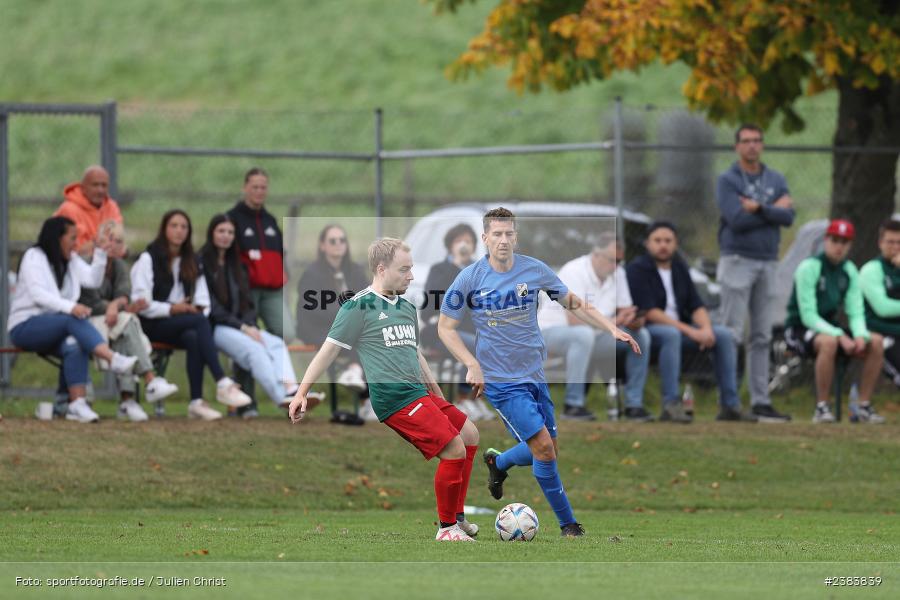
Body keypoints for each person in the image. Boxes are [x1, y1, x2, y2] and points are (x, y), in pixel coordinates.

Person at [438, 208, 640, 538]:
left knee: (548, 451)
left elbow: (573, 302)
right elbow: (446, 328)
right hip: (501, 381)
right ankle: (569, 526)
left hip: (535, 375)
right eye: (497, 234)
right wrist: (472, 364)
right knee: (543, 448)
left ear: (516, 236)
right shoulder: (471, 278)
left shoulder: (534, 269)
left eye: (509, 234)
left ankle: (499, 463)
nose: (504, 240)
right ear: (485, 238)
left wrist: (610, 328)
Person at [289, 238, 481, 542]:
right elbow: (329, 351)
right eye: (404, 270)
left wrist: (437, 394)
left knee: (470, 434)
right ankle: (447, 529)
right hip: (394, 398)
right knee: (454, 448)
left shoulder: (405, 307)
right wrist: (302, 392)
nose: (411, 276)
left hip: (418, 393)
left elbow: (414, 353)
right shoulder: (358, 306)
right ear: (381, 269)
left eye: (411, 269)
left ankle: (457, 518)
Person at [7, 216, 139, 423]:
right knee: (73, 319)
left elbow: (92, 280)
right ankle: (112, 359)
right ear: (57, 238)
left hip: (57, 327)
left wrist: (101, 253)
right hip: (25, 327)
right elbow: (38, 295)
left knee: (75, 343)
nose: (76, 243)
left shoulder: (71, 260)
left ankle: (77, 404)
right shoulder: (34, 256)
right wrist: (71, 307)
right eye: (72, 237)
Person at [131, 209, 251, 420]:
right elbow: (142, 304)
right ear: (164, 229)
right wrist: (172, 308)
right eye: (174, 226)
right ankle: (222, 382)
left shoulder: (193, 260)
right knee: (197, 322)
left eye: (184, 227)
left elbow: (203, 302)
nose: (179, 231)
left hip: (182, 323)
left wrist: (189, 309)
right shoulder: (148, 259)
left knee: (194, 335)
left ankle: (196, 402)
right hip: (150, 324)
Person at [627, 222, 753, 423]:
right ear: (647, 244)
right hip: (651, 331)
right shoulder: (636, 269)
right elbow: (650, 312)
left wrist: (706, 329)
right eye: (657, 241)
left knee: (724, 335)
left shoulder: (679, 268)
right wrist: (692, 332)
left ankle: (730, 404)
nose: (663, 246)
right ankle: (671, 404)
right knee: (671, 335)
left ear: (675, 244)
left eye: (668, 241)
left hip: (681, 330)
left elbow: (696, 305)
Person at [716, 124, 795, 422]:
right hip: (737, 259)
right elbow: (735, 219)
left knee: (761, 334)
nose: (752, 146)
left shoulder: (775, 178)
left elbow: (788, 217)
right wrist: (771, 209)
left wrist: (758, 208)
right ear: (737, 146)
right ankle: (729, 400)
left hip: (768, 261)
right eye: (746, 141)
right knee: (731, 333)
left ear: (762, 145)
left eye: (757, 141)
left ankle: (761, 400)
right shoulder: (728, 180)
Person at [538, 232, 653, 421]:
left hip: (595, 334)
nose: (616, 266)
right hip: (551, 331)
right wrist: (615, 322)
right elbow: (574, 321)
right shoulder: (574, 270)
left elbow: (625, 309)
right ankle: (573, 405)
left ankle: (634, 405)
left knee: (641, 336)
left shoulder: (618, 272)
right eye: (612, 260)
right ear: (596, 254)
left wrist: (633, 320)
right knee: (582, 335)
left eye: (619, 261)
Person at [200, 214, 304, 413]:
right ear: (212, 233)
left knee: (275, 343)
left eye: (230, 232)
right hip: (215, 328)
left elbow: (247, 303)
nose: (226, 236)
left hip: (241, 326)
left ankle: (292, 389)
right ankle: (283, 399)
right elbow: (211, 307)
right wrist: (243, 327)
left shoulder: (238, 266)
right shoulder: (202, 262)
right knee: (255, 351)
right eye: (221, 231)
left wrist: (250, 325)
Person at [785, 219, 884, 423]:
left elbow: (855, 311)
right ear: (826, 240)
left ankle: (863, 406)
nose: (839, 246)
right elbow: (808, 315)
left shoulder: (849, 271)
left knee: (875, 341)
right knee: (828, 342)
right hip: (799, 328)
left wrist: (859, 336)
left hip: (829, 328)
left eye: (844, 242)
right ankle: (822, 407)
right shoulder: (809, 267)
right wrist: (839, 336)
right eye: (835, 240)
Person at [78, 220, 178, 421]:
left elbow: (124, 294)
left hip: (113, 323)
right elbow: (89, 301)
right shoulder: (84, 263)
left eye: (119, 241)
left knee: (126, 326)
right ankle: (143, 385)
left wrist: (119, 306)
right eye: (110, 240)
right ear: (98, 241)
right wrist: (115, 307)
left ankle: (130, 400)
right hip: (85, 322)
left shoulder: (119, 265)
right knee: (127, 324)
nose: (114, 245)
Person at [295, 224, 372, 417]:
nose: (338, 244)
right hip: (316, 327)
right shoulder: (312, 273)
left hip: (348, 328)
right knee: (355, 336)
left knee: (370, 337)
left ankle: (356, 378)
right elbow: (313, 309)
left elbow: (368, 297)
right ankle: (358, 382)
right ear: (323, 246)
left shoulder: (355, 270)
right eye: (332, 241)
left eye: (342, 240)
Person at [420, 223, 493, 421]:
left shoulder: (480, 270)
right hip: (439, 333)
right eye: (459, 241)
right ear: (450, 246)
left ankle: (474, 398)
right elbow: (429, 307)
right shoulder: (440, 270)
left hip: (471, 332)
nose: (464, 245)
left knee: (487, 342)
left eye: (468, 241)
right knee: (476, 345)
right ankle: (463, 399)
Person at [226, 168, 293, 339]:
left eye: (263, 187)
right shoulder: (232, 218)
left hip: (272, 290)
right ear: (245, 188)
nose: (259, 191)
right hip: (246, 289)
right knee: (247, 332)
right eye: (255, 187)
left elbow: (280, 253)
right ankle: (241, 364)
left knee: (287, 333)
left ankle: (267, 355)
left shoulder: (270, 220)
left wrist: (284, 274)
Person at [860, 218, 900, 412]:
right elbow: (882, 308)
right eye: (890, 242)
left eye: (899, 242)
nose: (895, 247)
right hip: (879, 332)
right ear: (880, 243)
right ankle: (862, 404)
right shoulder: (871, 270)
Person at [53, 166, 123, 257]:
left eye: (104, 185)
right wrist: (100, 243)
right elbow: (75, 251)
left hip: (104, 257)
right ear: (83, 187)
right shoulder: (69, 209)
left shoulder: (111, 206)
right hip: (75, 262)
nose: (100, 190)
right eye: (95, 185)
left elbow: (118, 243)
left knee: (117, 262)